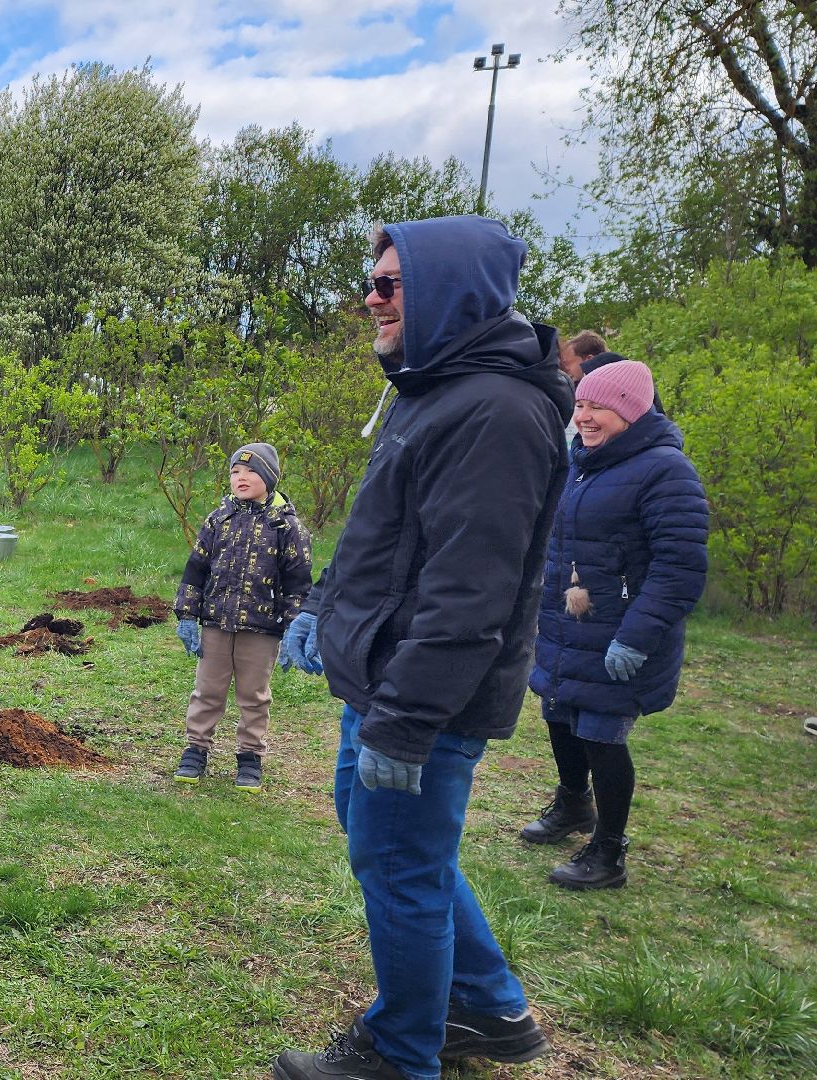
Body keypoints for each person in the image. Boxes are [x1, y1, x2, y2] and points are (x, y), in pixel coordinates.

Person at [273, 217, 572, 1080]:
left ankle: (403, 1053)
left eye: (390, 283)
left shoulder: (498, 413)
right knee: (390, 844)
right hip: (384, 677)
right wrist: (320, 605)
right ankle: (487, 1004)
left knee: (402, 864)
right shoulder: (433, 387)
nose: (371, 298)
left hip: (425, 694)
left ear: (452, 289)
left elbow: (471, 591)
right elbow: (381, 529)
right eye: (370, 281)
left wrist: (404, 723)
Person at [524, 359, 708, 890]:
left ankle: (608, 851)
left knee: (601, 734)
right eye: (579, 405)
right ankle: (573, 804)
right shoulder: (582, 463)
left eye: (596, 407)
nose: (583, 416)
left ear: (630, 411)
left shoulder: (666, 471)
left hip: (620, 632)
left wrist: (635, 637)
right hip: (568, 625)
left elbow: (679, 569)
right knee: (560, 715)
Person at [173, 442, 313, 791]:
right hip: (216, 623)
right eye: (235, 471)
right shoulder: (218, 519)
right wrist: (187, 615)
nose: (242, 477)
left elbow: (298, 584)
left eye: (251, 471)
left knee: (254, 695)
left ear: (269, 478)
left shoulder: (287, 527)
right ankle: (196, 749)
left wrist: (295, 626)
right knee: (207, 689)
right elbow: (195, 570)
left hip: (262, 629)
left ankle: (250, 755)